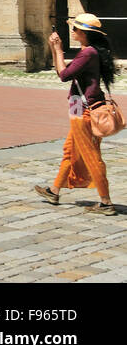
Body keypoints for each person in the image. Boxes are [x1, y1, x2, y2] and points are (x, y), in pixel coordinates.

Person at [35, 14, 117, 214]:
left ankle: (106, 202)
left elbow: (63, 75)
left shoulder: (88, 53)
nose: (73, 32)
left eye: (75, 29)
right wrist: (55, 50)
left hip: (84, 108)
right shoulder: (88, 51)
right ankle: (54, 191)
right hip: (76, 105)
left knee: (91, 155)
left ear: (84, 33)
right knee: (70, 150)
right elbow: (62, 72)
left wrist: (58, 49)